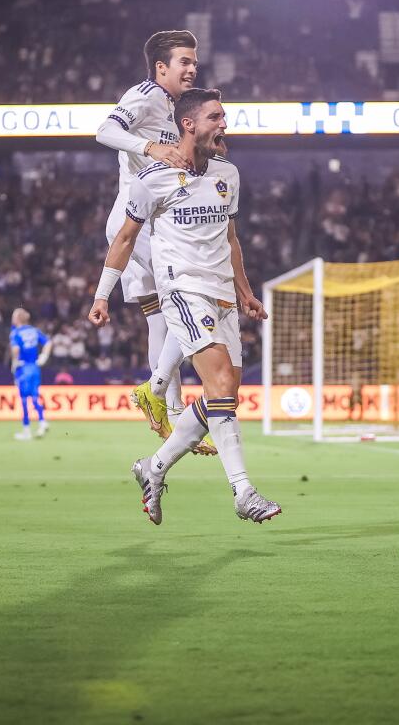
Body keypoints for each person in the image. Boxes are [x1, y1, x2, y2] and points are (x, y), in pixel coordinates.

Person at [88, 88, 280, 525]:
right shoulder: (152, 178)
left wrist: (246, 292)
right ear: (189, 124)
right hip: (183, 292)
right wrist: (102, 294)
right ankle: (243, 491)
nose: (224, 124)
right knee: (217, 386)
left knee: (225, 395)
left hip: (224, 296)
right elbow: (124, 240)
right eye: (216, 117)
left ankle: (153, 467)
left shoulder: (227, 175)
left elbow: (231, 240)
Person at [95, 30, 213, 455]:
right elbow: (105, 130)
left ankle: (173, 414)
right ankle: (158, 391)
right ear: (161, 68)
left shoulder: (174, 106)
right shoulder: (145, 94)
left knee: (158, 317)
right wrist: (148, 146)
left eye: (194, 61)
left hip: (140, 220)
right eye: (184, 61)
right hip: (139, 223)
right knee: (196, 297)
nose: (192, 68)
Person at [9, 308, 52, 440]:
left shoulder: (15, 333)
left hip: (23, 368)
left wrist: (14, 363)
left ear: (17, 319)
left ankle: (27, 430)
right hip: (35, 367)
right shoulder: (34, 330)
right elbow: (48, 342)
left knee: (23, 399)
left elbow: (16, 349)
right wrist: (44, 356)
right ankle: (42, 421)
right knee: (34, 397)